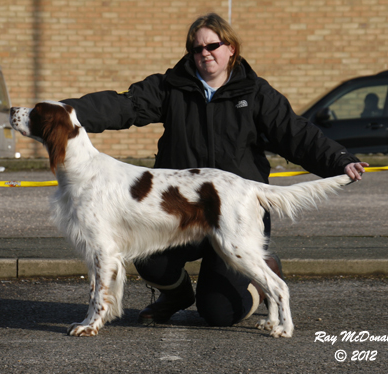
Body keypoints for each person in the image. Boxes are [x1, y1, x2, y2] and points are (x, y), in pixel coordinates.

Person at [62, 13, 368, 327]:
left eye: (213, 45)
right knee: (147, 256)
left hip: (234, 209)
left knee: (219, 312)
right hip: (178, 209)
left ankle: (265, 274)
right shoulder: (172, 87)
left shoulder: (255, 92)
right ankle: (177, 296)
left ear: (231, 48)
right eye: (197, 49)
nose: (205, 53)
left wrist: (340, 160)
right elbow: (123, 106)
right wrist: (62, 112)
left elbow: (295, 133)